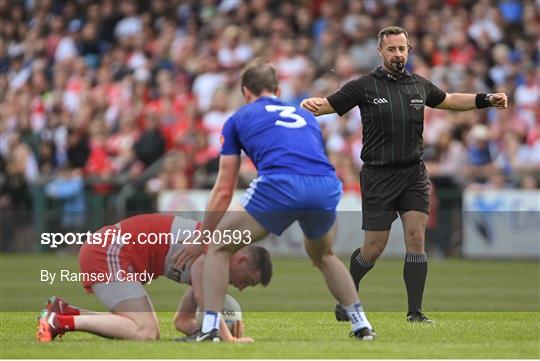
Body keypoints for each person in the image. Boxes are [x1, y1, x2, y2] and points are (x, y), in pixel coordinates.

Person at [300, 26, 508, 323]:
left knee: (416, 238)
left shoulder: (419, 85)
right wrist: (312, 105)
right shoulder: (364, 85)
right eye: (391, 49)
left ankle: (415, 313)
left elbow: (449, 99)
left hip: (413, 174)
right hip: (378, 176)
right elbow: (327, 106)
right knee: (374, 248)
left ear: (408, 50)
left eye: (402, 48)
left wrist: (486, 99)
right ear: (380, 52)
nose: (398, 54)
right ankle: (348, 294)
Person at [174, 58, 376, 342]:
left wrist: (202, 236)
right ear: (278, 90)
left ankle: (209, 329)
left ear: (246, 92)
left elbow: (223, 187)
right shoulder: (304, 114)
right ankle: (361, 323)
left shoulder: (238, 119)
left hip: (281, 184)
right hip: (325, 185)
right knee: (325, 256)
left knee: (218, 246)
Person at [36, 213, 272, 343]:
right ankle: (59, 321)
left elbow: (182, 322)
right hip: (109, 250)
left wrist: (218, 332)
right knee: (146, 331)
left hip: (109, 249)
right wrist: (228, 338)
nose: (240, 289)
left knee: (143, 328)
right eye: (247, 281)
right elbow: (203, 296)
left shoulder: (212, 257)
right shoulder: (210, 254)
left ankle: (66, 312)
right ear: (240, 260)